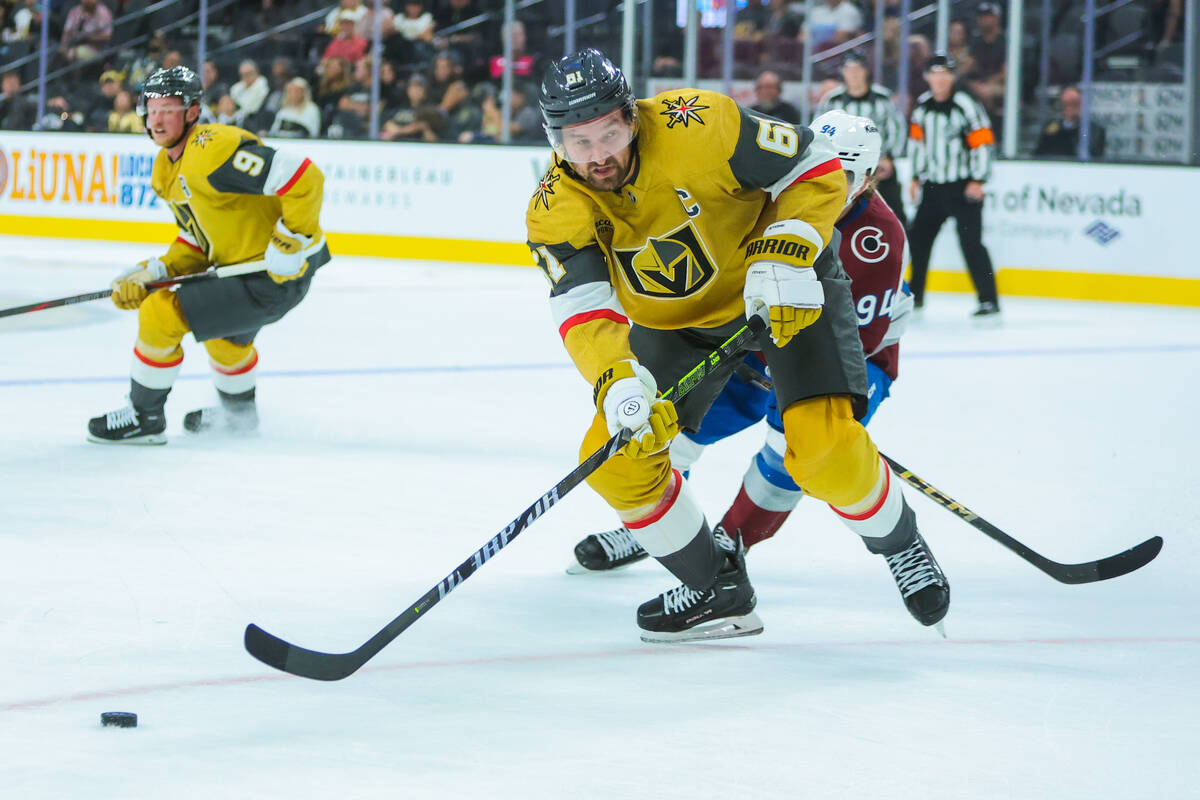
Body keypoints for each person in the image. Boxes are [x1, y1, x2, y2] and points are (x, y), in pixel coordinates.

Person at [526, 49, 949, 642]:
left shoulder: (701, 123)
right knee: (617, 462)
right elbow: (584, 306)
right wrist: (616, 377)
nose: (598, 154)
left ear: (631, 116)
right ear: (554, 139)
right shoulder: (553, 208)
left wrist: (791, 245)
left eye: (610, 132)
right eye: (578, 141)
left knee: (823, 454)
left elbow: (814, 164)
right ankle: (716, 587)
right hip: (679, 326)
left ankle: (901, 542)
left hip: (784, 291)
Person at [87, 66, 330, 444]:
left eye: (168, 108)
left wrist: (289, 241)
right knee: (225, 339)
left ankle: (144, 417)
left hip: (275, 275)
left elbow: (304, 176)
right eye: (151, 109)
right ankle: (239, 419)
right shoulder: (164, 170)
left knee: (160, 313)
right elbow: (198, 241)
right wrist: (155, 271)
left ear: (193, 112)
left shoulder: (212, 149)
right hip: (244, 273)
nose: (157, 118)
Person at [907, 53, 999, 318]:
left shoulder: (966, 105)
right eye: (934, 74)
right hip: (933, 187)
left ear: (952, 77)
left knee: (972, 243)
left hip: (963, 187)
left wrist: (978, 179)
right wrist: (915, 177)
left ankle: (988, 299)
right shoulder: (923, 107)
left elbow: (982, 142)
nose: (939, 79)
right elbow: (916, 145)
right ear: (927, 77)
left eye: (945, 74)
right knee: (918, 242)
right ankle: (916, 295)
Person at [815, 51, 909, 229]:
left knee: (893, 216)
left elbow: (897, 129)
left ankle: (900, 251)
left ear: (866, 71)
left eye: (858, 69)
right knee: (835, 214)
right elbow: (820, 134)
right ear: (843, 72)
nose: (854, 74)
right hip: (841, 169)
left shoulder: (883, 98)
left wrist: (888, 158)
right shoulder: (831, 100)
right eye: (849, 69)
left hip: (879, 168)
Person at [1034, 86, 1106, 159]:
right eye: (1065, 104)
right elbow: (1039, 154)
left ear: (1081, 104)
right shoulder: (1050, 128)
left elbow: (1095, 158)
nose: (1069, 108)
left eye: (1073, 103)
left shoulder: (1095, 131)